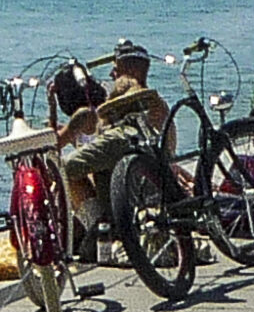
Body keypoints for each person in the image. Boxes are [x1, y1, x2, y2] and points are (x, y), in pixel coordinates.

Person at [57, 41, 170, 254]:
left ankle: (96, 226)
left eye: (116, 71)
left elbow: (67, 162)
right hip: (150, 201)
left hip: (124, 208)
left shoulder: (123, 132)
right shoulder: (162, 110)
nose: (111, 74)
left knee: (63, 169)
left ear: (130, 72)